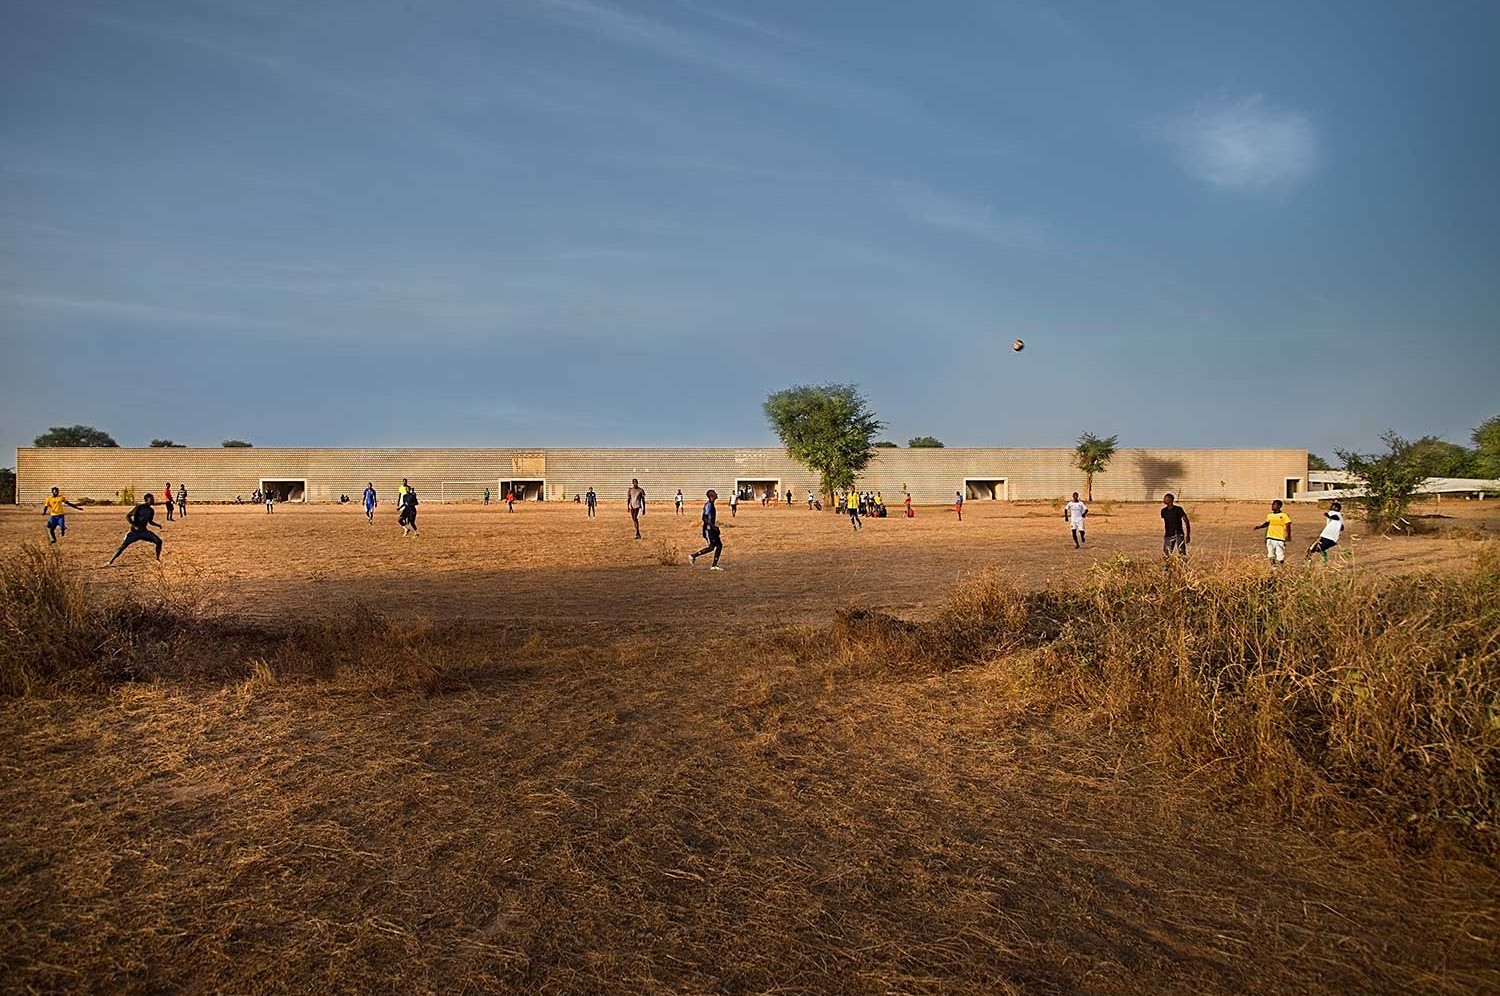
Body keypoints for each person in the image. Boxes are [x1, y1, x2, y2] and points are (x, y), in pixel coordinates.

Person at [107, 493, 163, 564]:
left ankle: (157, 559)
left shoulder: (151, 510)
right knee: (123, 546)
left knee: (159, 541)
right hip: (134, 532)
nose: (153, 501)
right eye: (151, 499)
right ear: (146, 500)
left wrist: (157, 525)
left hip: (144, 532)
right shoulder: (139, 507)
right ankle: (111, 561)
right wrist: (134, 525)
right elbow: (128, 516)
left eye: (153, 499)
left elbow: (150, 521)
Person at [689, 489, 724, 570]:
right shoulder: (708, 505)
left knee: (719, 545)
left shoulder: (711, 504)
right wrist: (713, 527)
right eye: (715, 493)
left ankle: (714, 565)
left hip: (712, 528)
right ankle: (693, 556)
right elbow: (704, 517)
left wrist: (715, 527)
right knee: (711, 547)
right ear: (711, 496)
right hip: (708, 530)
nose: (716, 494)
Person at [1255, 499, 1292, 568]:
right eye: (1272, 505)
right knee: (1270, 553)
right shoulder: (1270, 515)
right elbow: (1267, 523)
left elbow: (1288, 525)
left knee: (1280, 554)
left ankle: (1282, 567)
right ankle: (1273, 567)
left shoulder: (1284, 515)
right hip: (1270, 536)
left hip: (1279, 538)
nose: (1272, 506)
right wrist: (1259, 527)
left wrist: (1288, 535)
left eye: (1274, 505)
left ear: (1279, 506)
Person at [1307, 500, 1344, 564]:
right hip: (1333, 538)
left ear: (1336, 508)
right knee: (1321, 549)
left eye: (1333, 506)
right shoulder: (1341, 517)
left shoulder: (1333, 513)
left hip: (1327, 536)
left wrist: (1328, 516)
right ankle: (1324, 563)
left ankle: (1308, 563)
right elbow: (1342, 528)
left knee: (1313, 548)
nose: (1331, 507)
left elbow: (1335, 517)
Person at [1161, 493, 1190, 560]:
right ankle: (1166, 569)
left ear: (1170, 500)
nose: (1164, 500)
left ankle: (1183, 568)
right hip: (1168, 535)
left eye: (1166, 498)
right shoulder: (1163, 511)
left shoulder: (1178, 509)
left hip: (1179, 534)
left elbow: (1186, 521)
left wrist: (1188, 535)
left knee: (1182, 553)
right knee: (1166, 554)